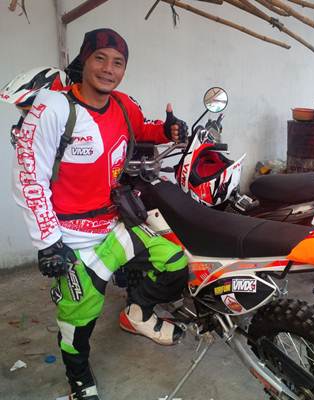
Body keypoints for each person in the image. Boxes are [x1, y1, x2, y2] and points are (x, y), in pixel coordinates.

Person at [12, 28, 189, 400]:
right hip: (72, 237)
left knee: (174, 263)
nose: (109, 69)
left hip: (113, 225)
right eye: (100, 58)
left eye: (118, 62)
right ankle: (79, 382)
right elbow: (29, 177)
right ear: (85, 60)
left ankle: (137, 314)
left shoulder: (124, 105)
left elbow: (143, 129)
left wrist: (167, 130)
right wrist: (48, 243)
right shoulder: (54, 108)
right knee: (78, 323)